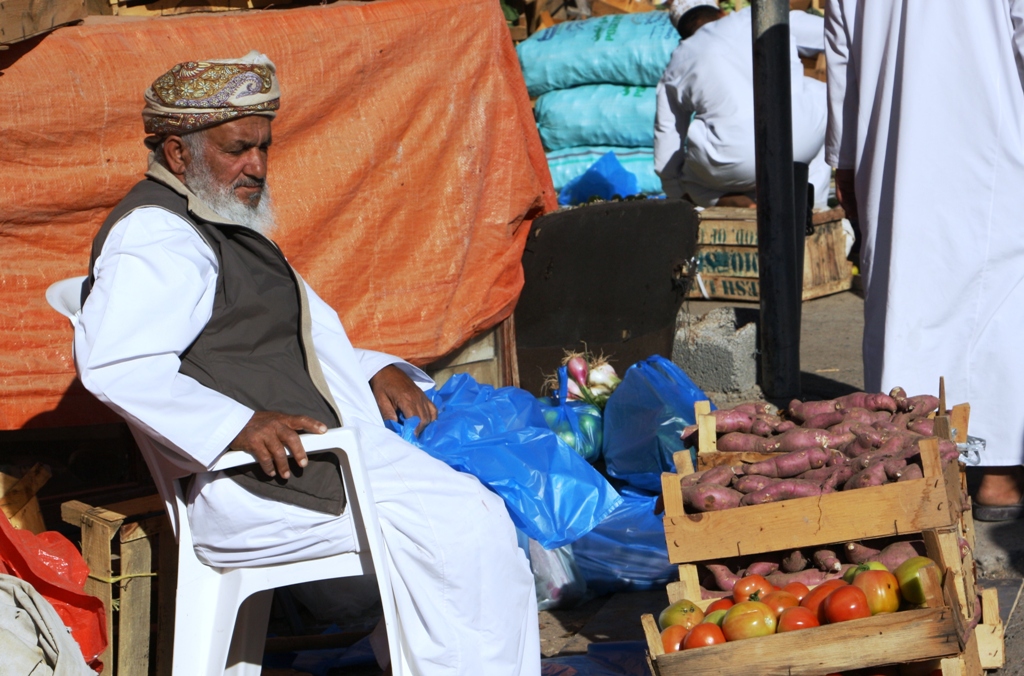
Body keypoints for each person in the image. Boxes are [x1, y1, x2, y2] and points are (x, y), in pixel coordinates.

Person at [74, 52, 541, 673]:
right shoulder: (157, 238)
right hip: (257, 480)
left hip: (303, 455)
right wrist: (232, 426)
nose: (257, 167)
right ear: (178, 154)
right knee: (469, 525)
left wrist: (372, 365)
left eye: (264, 148)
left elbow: (286, 336)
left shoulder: (216, 218)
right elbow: (120, 365)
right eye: (238, 149)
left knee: (479, 507)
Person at [825, 1, 1024, 520]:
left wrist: (845, 159)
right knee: (1001, 296)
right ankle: (997, 476)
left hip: (890, 149)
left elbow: (841, 53)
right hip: (990, 130)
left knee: (906, 298)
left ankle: (910, 468)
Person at [655, 0, 831, 209]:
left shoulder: (677, 61)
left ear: (683, 34)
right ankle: (813, 209)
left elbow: (666, 139)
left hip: (730, 165)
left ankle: (736, 202)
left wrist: (677, 192)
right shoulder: (759, 16)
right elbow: (831, 36)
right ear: (721, 13)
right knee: (819, 96)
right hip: (799, 148)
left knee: (690, 183)